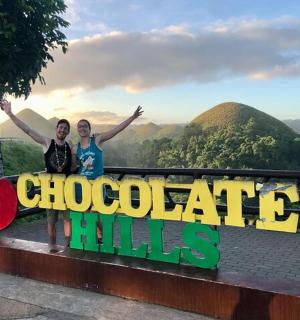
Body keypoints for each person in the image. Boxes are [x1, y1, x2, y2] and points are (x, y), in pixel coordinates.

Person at [1, 100, 72, 252]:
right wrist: (10, 113)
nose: (62, 130)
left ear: (67, 132)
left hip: (66, 189)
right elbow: (28, 130)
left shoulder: (69, 147)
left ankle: (68, 247)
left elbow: (74, 167)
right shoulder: (47, 142)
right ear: (56, 129)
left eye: (65, 128)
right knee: (51, 221)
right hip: (51, 189)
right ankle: (52, 247)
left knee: (68, 219)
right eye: (60, 127)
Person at [72, 105, 143, 240]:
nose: (82, 128)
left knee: (96, 213)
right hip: (82, 186)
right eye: (79, 126)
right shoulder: (75, 148)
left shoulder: (97, 140)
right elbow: (73, 166)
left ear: (89, 129)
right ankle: (96, 239)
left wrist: (132, 117)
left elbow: (115, 130)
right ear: (77, 130)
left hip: (98, 185)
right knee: (88, 214)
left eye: (85, 126)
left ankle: (103, 237)